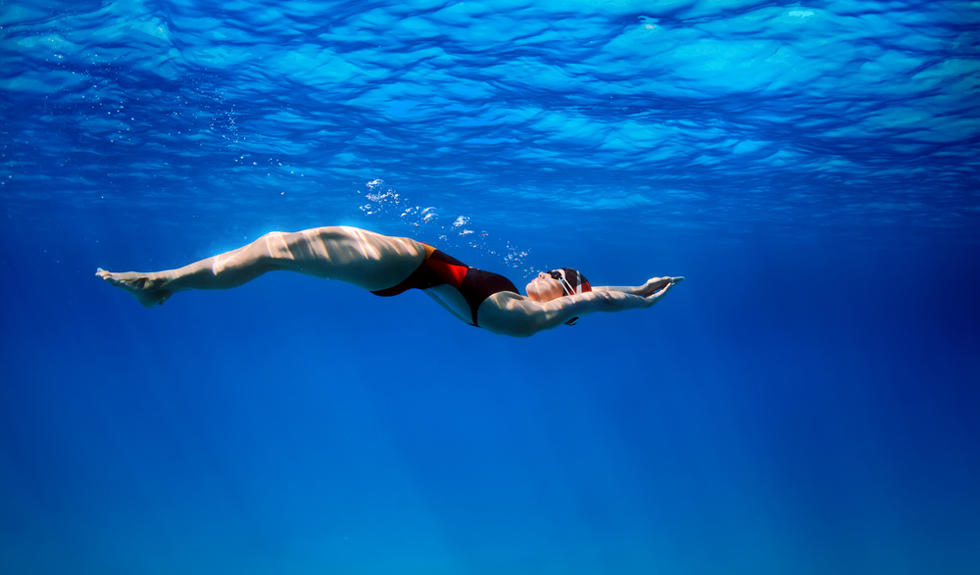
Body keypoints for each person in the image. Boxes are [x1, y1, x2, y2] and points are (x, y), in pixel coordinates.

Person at [97, 226, 682, 338]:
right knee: (271, 247)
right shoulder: (515, 307)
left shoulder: (530, 319)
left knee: (274, 249)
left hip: (401, 268)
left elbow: (601, 299)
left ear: (569, 299)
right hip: (403, 272)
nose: (546, 273)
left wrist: (637, 296)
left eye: (559, 279)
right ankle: (166, 283)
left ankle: (162, 283)